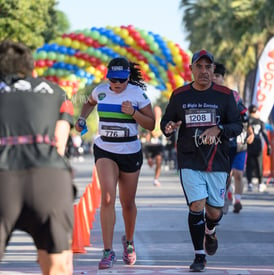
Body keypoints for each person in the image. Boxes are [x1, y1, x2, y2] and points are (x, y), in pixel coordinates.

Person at [160, 50, 242, 272]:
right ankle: (199, 255)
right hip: (189, 159)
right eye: (199, 66)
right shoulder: (180, 95)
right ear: (192, 69)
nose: (204, 71)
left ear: (213, 70)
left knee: (214, 212)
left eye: (208, 67)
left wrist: (220, 129)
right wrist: (167, 127)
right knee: (196, 205)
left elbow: (237, 125)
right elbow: (167, 120)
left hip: (217, 162)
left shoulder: (226, 96)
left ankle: (210, 231)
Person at [0, 40, 75, 275]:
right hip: (49, 177)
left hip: (3, 176)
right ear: (31, 67)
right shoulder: (56, 92)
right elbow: (60, 142)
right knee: (57, 265)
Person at [75, 57, 155, 269]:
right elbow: (89, 103)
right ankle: (108, 251)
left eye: (121, 80)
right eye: (112, 79)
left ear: (128, 76)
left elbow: (151, 124)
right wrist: (82, 119)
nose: (116, 84)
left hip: (130, 151)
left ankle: (129, 243)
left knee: (128, 203)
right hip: (105, 149)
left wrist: (134, 113)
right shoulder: (100, 91)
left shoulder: (138, 94)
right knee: (108, 197)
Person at [213, 62, 254, 214]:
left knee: (238, 173)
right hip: (221, 142)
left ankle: (237, 200)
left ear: (223, 78)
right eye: (213, 75)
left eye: (218, 76)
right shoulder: (208, 96)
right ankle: (225, 196)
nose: (215, 78)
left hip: (239, 142)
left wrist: (250, 132)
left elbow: (245, 115)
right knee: (224, 175)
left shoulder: (233, 95)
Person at [246, 105, 271, 192]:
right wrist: (268, 145)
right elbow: (264, 133)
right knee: (259, 164)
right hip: (257, 144)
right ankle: (260, 183)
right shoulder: (260, 122)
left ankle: (249, 183)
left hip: (249, 144)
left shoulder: (247, 120)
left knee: (249, 165)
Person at [144, 105, 164, 186]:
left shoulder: (162, 121)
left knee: (159, 161)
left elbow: (162, 132)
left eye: (158, 111)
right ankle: (150, 161)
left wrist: (157, 133)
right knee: (150, 161)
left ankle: (156, 179)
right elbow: (148, 132)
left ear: (160, 113)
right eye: (155, 111)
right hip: (150, 145)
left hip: (158, 145)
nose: (156, 113)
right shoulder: (150, 119)